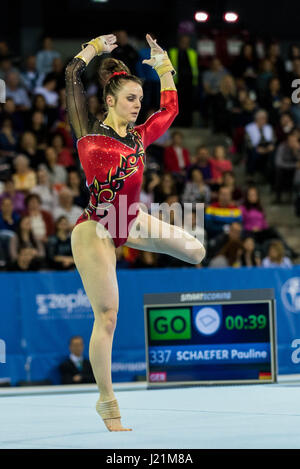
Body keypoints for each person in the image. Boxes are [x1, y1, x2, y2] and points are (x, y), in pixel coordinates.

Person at [65, 32, 205, 431]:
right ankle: (107, 403)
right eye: (130, 99)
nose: (137, 106)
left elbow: (170, 109)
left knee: (196, 252)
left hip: (131, 220)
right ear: (109, 101)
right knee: (107, 315)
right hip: (96, 228)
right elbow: (72, 73)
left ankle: (154, 247)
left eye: (139, 101)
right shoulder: (88, 131)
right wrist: (92, 47)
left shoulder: (141, 137)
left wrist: (164, 67)